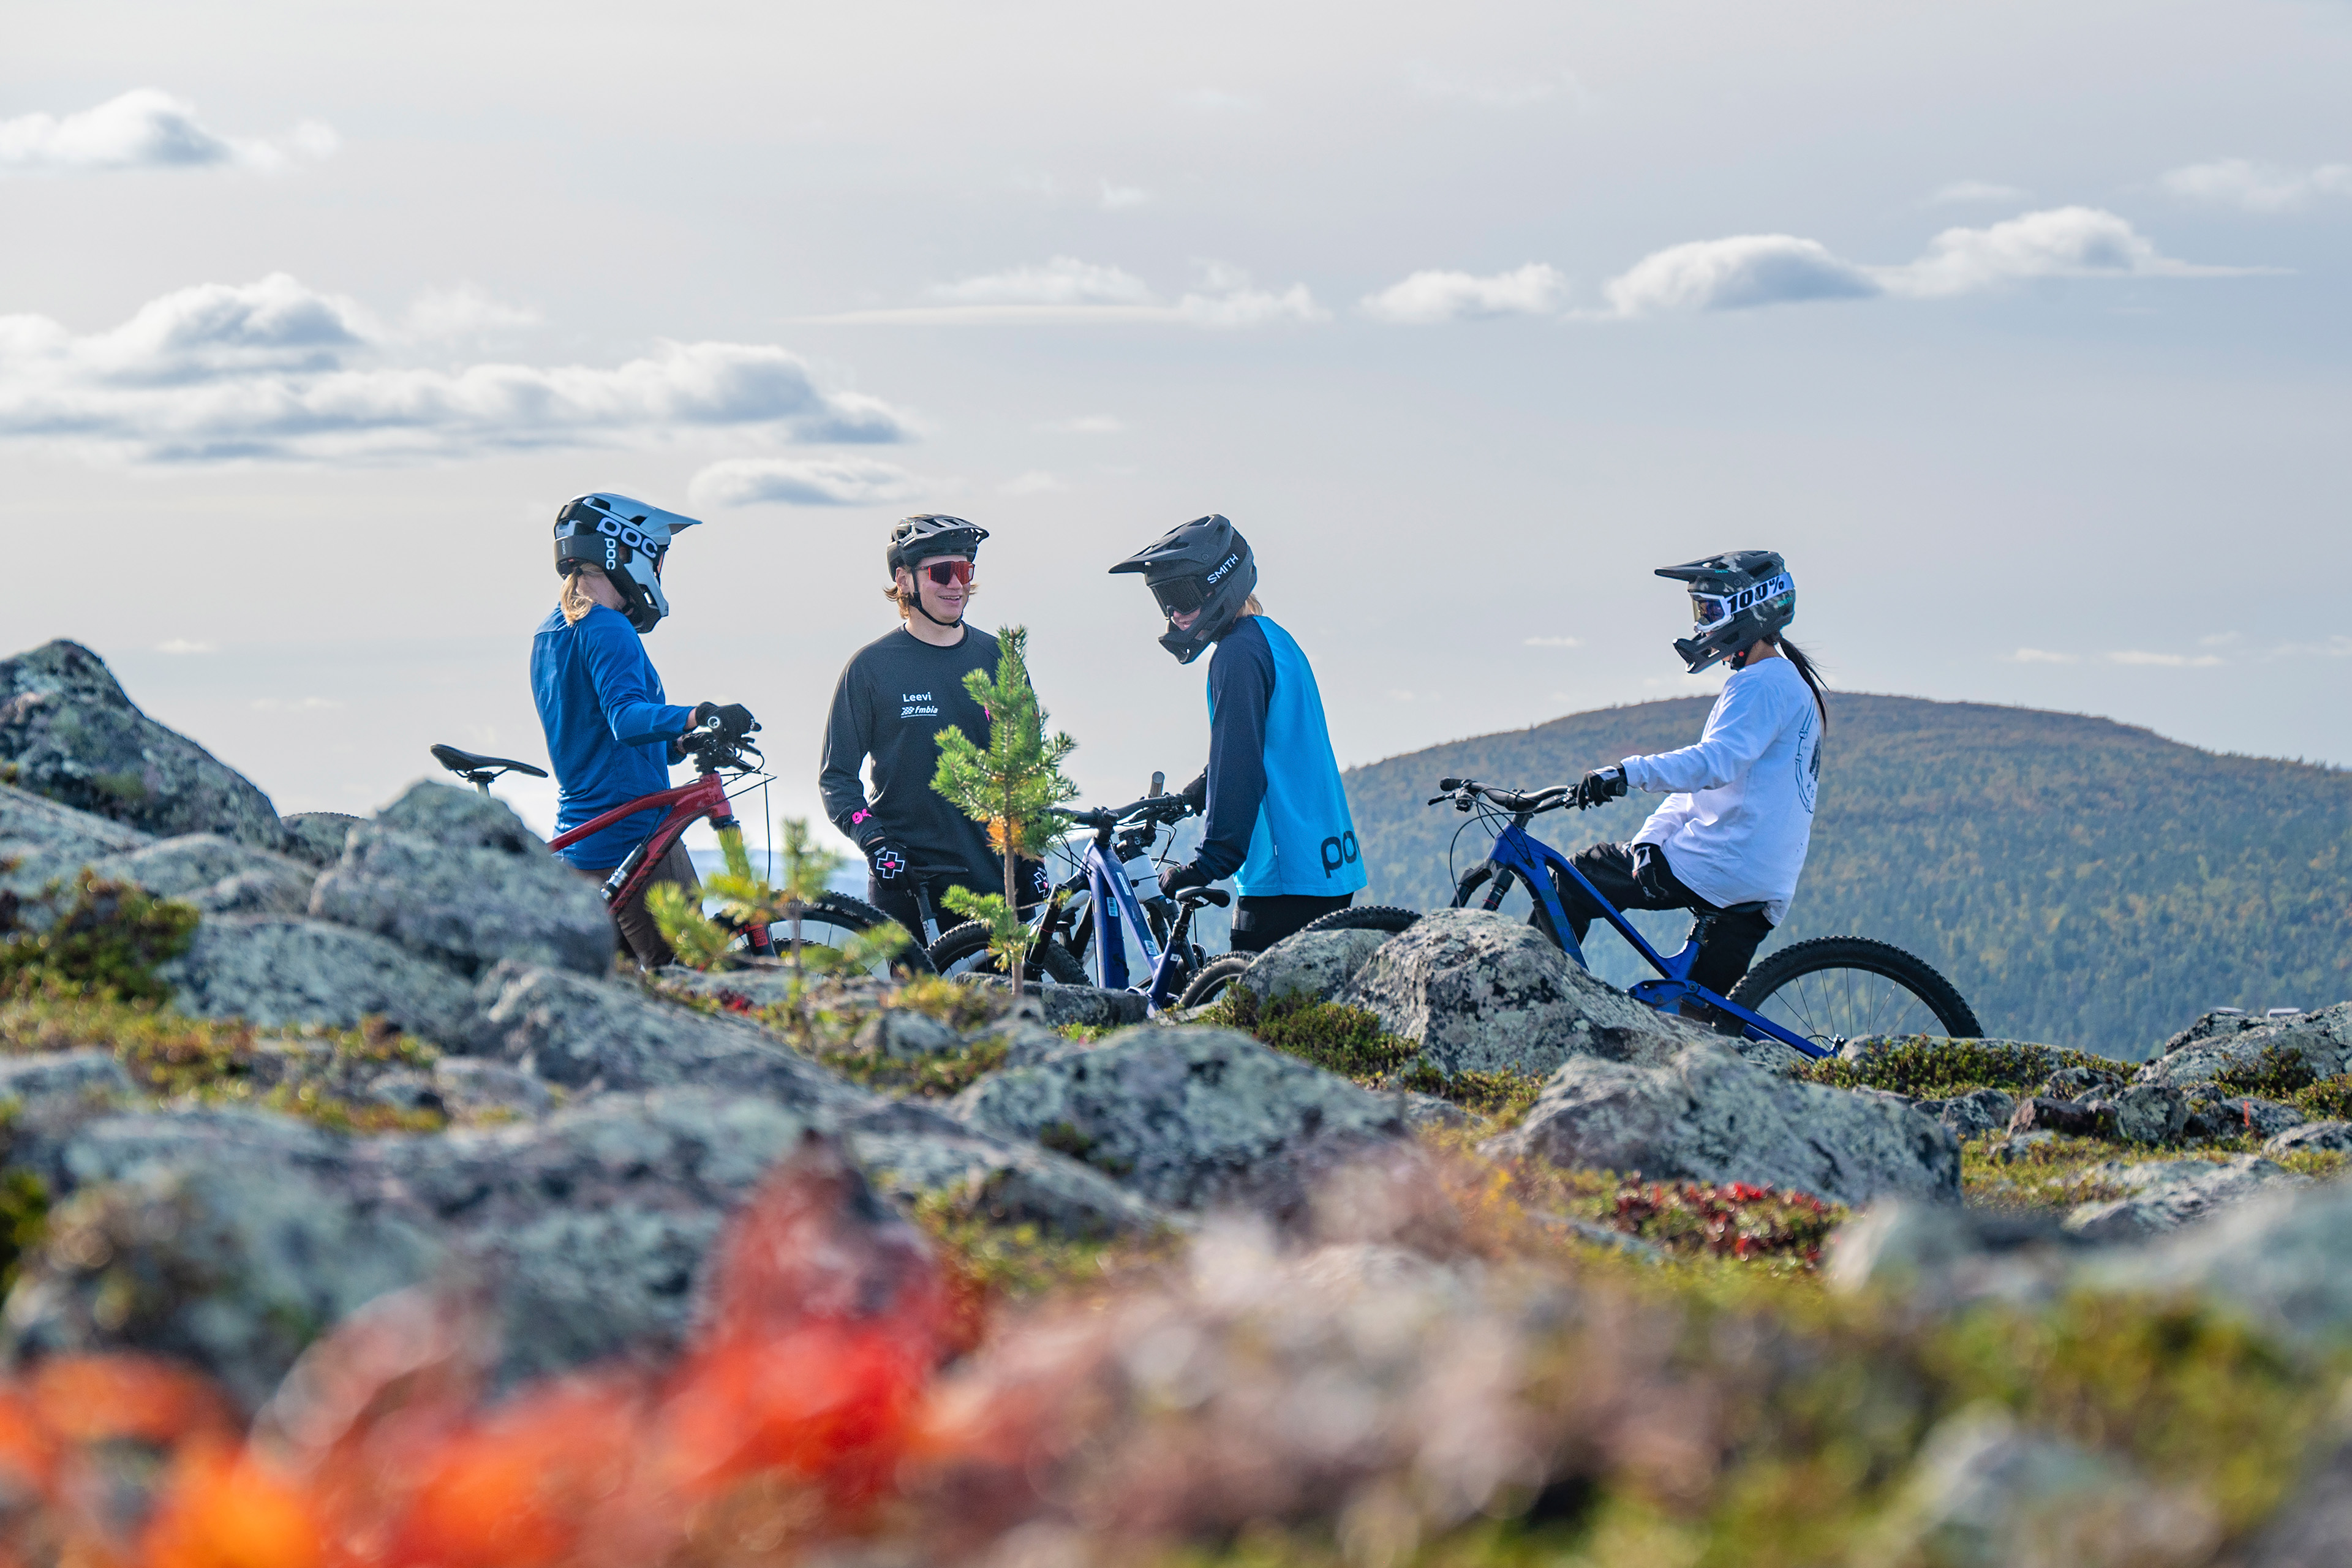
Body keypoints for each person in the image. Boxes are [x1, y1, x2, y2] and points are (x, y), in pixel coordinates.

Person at [1559, 550, 1829, 1025]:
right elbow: (1702, 789)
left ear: (1749, 610)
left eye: (1710, 611)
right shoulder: (1789, 683)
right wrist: (1650, 839)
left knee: (1579, 875)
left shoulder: (1760, 684)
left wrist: (1627, 772)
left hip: (1722, 862)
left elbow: (1713, 765)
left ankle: (1536, 996)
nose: (1702, 625)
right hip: (1763, 880)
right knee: (1699, 1023)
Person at [1110, 514, 1366, 952]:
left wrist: (1206, 864)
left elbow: (1241, 767)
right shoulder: (1272, 639)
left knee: (1247, 996)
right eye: (1164, 601)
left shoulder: (1236, 656)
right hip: (1326, 863)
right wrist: (1193, 795)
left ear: (1219, 586)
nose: (1174, 613)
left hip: (1284, 878)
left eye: (1181, 596)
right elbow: (1261, 745)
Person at [532, 492, 753, 969]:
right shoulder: (607, 626)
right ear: (625, 550)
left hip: (583, 843)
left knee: (623, 990)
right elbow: (626, 719)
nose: (657, 570)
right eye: (656, 556)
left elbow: (595, 734)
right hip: (635, 836)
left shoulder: (552, 631)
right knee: (695, 975)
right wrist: (701, 714)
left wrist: (679, 742)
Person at [820, 514, 1049, 941]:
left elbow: (1028, 772)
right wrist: (874, 842)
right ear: (904, 580)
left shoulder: (999, 659)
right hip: (910, 883)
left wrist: (1033, 859)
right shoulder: (870, 668)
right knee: (918, 990)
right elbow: (837, 778)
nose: (957, 584)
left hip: (996, 883)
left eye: (964, 570)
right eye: (942, 572)